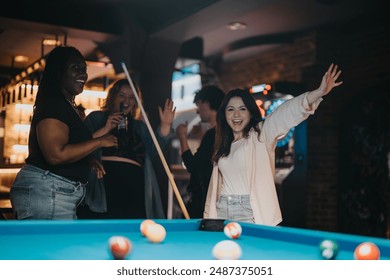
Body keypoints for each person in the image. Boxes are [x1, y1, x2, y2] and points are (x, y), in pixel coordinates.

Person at [204, 63, 343, 225]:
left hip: (248, 212)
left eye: (242, 109)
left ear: (250, 112)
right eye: (230, 109)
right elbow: (214, 188)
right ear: (224, 114)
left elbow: (284, 114)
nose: (236, 115)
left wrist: (317, 93)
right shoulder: (223, 145)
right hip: (221, 209)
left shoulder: (261, 135)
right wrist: (208, 216)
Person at [10, 46, 118, 220]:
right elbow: (55, 155)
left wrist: (88, 158)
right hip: (48, 191)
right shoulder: (54, 103)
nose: (83, 74)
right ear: (58, 72)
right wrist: (99, 142)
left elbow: (69, 145)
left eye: (84, 69)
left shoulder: (66, 105)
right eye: (75, 68)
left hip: (56, 192)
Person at [78, 78, 175, 219]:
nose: (127, 100)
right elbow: (79, 145)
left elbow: (155, 151)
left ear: (135, 102)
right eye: (122, 95)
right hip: (104, 184)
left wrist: (165, 125)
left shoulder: (139, 126)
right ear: (113, 97)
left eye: (131, 97)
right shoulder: (96, 118)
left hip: (134, 186)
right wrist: (105, 128)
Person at [175, 85, 225, 218]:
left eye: (198, 105)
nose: (197, 111)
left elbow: (192, 166)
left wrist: (182, 137)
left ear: (206, 103)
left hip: (203, 202)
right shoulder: (223, 133)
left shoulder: (212, 134)